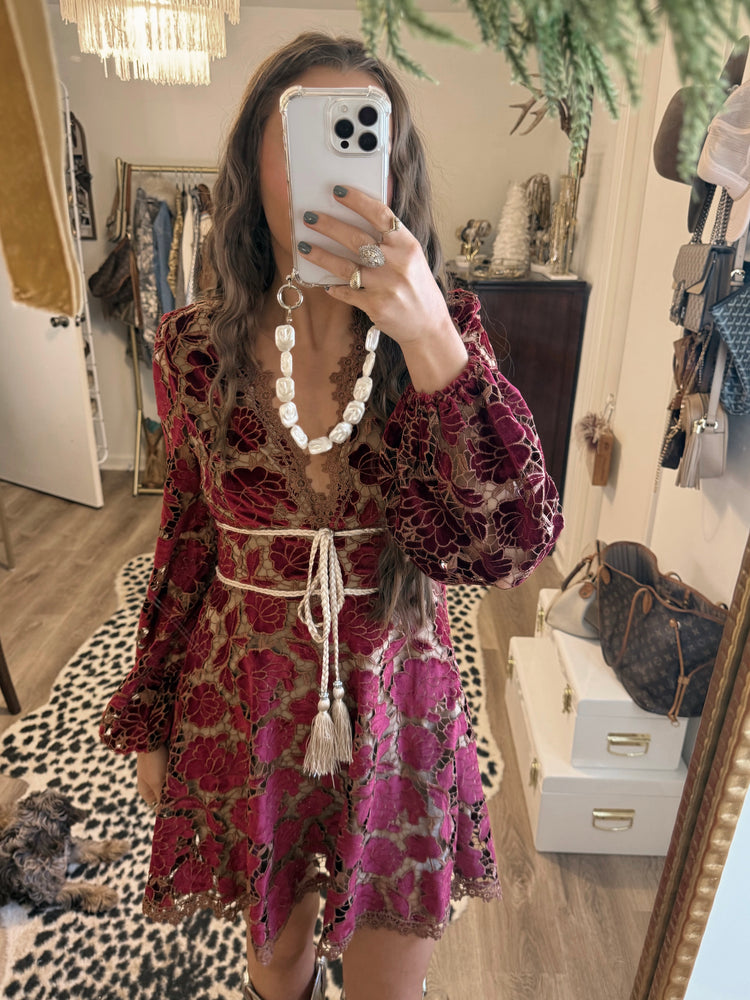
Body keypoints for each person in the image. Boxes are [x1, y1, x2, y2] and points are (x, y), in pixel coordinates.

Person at [100, 31, 563, 1000]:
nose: (339, 167)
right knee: (278, 969)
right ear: (251, 163)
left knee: (390, 982)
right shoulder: (192, 347)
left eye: (364, 135)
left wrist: (429, 335)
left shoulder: (441, 335)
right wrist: (151, 712)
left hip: (396, 705)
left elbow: (510, 546)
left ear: (396, 166)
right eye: (305, 136)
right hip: (248, 702)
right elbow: (185, 538)